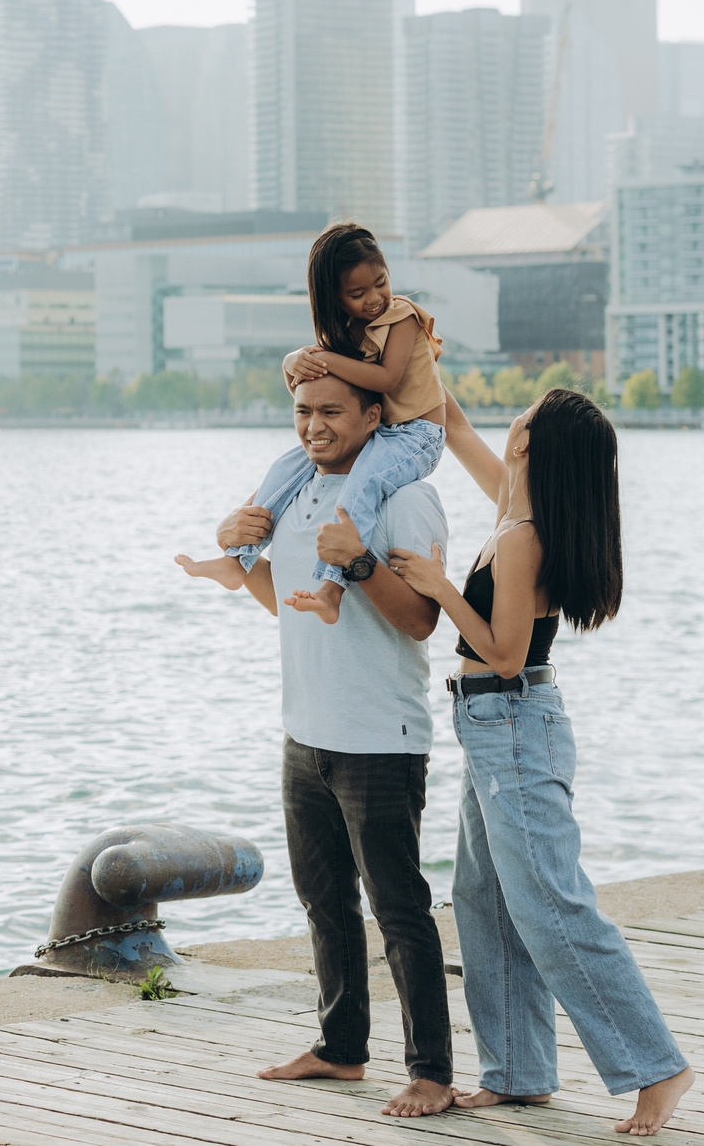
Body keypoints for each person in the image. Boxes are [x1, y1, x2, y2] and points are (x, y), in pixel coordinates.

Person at [383, 384, 697, 1137]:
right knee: (484, 899)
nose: (509, 420)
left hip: (514, 720)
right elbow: (452, 423)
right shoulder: (516, 509)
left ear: (529, 441)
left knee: (550, 905)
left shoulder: (522, 533)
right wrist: (422, 373)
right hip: (492, 726)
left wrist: (437, 588)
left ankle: (658, 1066)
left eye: (521, 414)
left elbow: (503, 649)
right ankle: (518, 1072)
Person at [174, 369, 456, 1118]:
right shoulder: (297, 487)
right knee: (324, 901)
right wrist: (241, 561)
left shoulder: (404, 496)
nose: (314, 426)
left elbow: (424, 620)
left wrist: (359, 563)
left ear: (374, 415)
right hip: (305, 732)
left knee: (399, 910)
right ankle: (341, 1050)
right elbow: (289, 603)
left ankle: (431, 1071)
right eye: (303, 411)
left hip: (379, 738)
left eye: (332, 411)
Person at [176, 224, 446, 625]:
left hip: (417, 435)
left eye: (380, 283)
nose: (374, 299)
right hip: (381, 434)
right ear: (335, 297)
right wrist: (293, 362)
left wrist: (325, 358)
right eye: (358, 294)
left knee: (363, 484)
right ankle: (239, 559)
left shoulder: (401, 316)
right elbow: (314, 395)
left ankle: (332, 588)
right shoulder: (346, 335)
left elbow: (387, 380)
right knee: (287, 466)